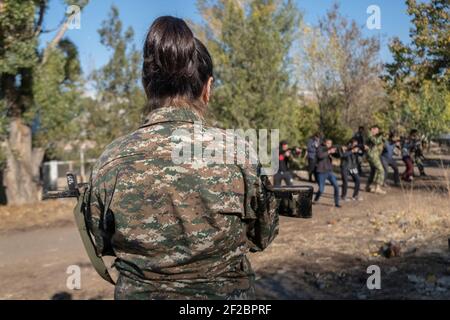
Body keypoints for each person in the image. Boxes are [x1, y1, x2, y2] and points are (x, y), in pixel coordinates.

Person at [86, 16, 279, 300]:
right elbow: (263, 235)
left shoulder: (110, 159)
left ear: (146, 85)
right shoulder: (240, 153)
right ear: (208, 88)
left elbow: (102, 241)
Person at [314, 139, 340, 208]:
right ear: (325, 143)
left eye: (330, 143)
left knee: (336, 186)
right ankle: (316, 199)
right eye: (328, 143)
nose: (329, 144)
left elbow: (338, 156)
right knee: (321, 190)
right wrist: (328, 152)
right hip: (321, 171)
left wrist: (337, 150)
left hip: (329, 171)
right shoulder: (320, 148)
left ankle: (337, 203)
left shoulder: (330, 149)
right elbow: (320, 156)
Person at [365, 125, 386, 194]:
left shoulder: (373, 135)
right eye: (376, 130)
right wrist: (380, 136)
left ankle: (367, 186)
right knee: (381, 170)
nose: (377, 131)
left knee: (373, 171)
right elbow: (376, 142)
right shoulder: (370, 135)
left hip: (374, 155)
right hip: (372, 155)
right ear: (372, 129)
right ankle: (377, 187)